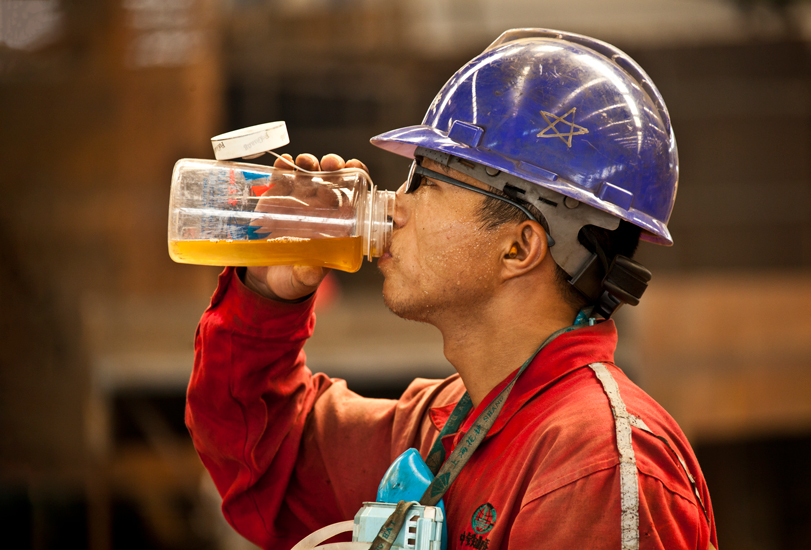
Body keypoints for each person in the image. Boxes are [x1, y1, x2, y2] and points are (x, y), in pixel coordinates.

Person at [186, 28, 718, 550]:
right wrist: (269, 294)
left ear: (519, 248)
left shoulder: (594, 462)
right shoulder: (445, 428)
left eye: (428, 183)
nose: (394, 205)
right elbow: (265, 462)